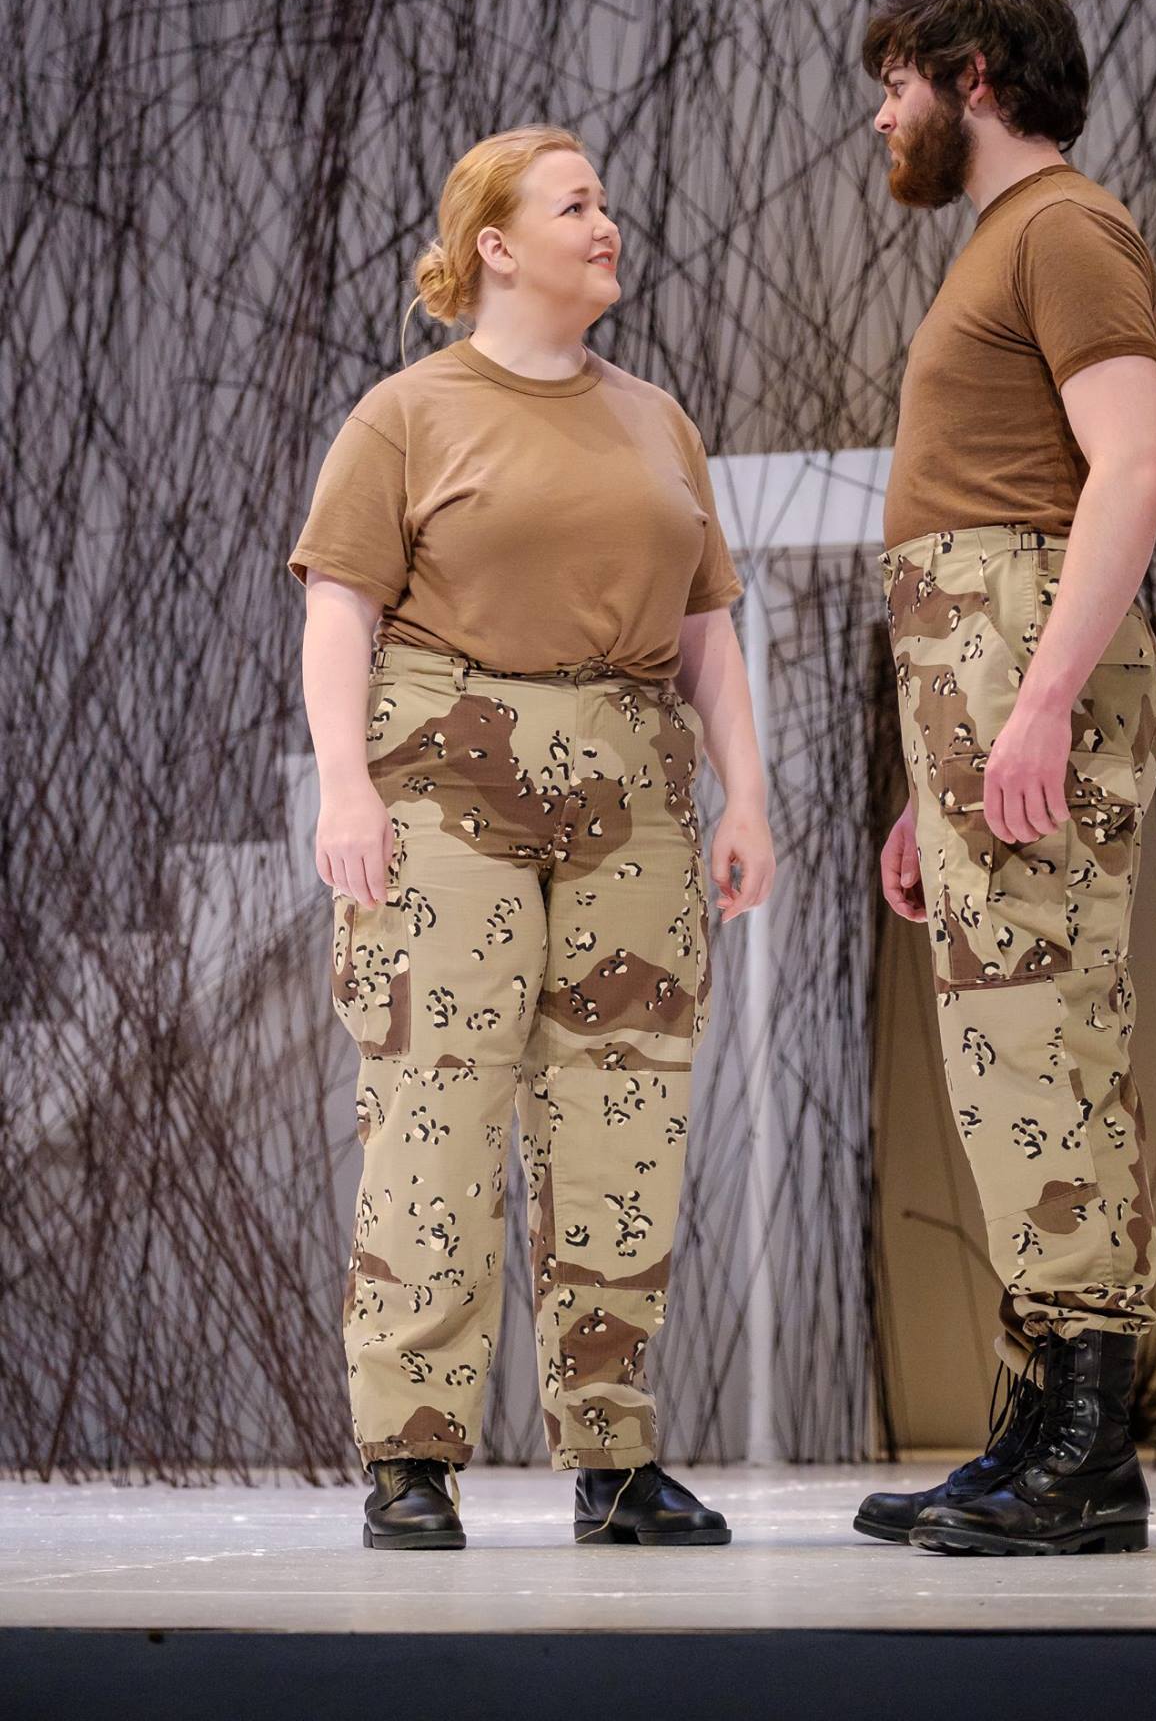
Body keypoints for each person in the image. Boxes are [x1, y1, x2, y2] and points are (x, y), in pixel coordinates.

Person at [286, 123, 775, 1548]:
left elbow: (706, 631)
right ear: (495, 245)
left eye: (605, 202)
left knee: (625, 1118)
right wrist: (342, 784)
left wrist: (746, 797)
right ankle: (411, 1458)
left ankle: (614, 1458)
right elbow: (338, 609)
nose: (605, 224)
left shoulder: (657, 419)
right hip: (448, 780)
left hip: (634, 789)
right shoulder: (407, 414)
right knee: (436, 1107)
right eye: (576, 205)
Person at [853, 0, 1156, 1556]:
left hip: (1020, 664)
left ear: (971, 75)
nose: (880, 116)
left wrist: (1037, 703)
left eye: (895, 83)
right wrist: (935, 782)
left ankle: (1089, 1453)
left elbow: (1132, 467)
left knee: (1043, 1046)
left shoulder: (1061, 228)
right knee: (1007, 1063)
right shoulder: (1003, 240)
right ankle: (1042, 1429)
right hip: (976, 679)